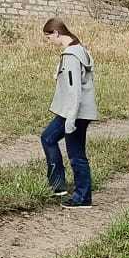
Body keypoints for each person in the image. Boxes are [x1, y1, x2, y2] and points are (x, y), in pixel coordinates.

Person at [40, 16, 98, 207]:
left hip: (74, 112)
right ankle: (59, 186)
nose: (50, 42)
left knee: (76, 154)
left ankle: (81, 197)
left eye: (49, 38)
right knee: (48, 138)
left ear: (56, 33)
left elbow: (74, 90)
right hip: (77, 111)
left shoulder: (71, 56)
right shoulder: (79, 50)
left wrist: (71, 119)